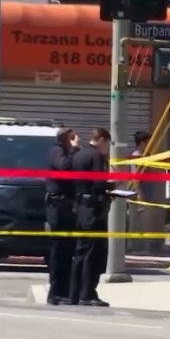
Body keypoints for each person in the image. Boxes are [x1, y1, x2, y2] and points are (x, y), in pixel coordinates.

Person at [69, 128, 112, 307]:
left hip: (79, 208)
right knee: (93, 254)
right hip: (94, 210)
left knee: (80, 252)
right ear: (101, 140)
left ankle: (75, 294)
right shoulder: (96, 157)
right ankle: (88, 293)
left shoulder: (78, 155)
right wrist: (114, 185)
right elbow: (99, 182)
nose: (107, 148)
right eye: (107, 144)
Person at [45, 128, 79, 305]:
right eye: (72, 138)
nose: (75, 141)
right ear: (66, 138)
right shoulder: (56, 151)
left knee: (68, 251)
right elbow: (64, 167)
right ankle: (55, 292)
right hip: (58, 207)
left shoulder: (67, 152)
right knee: (59, 251)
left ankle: (65, 290)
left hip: (68, 206)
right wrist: (73, 149)